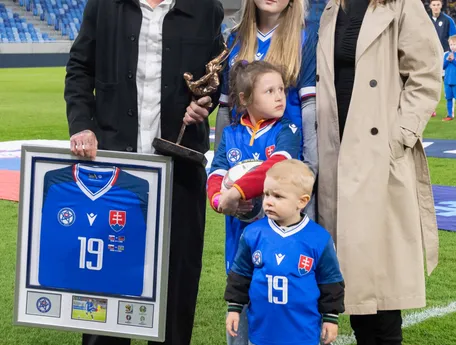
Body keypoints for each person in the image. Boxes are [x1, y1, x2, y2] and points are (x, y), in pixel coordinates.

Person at [63, 0, 224, 344]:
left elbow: (215, 77)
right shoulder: (103, 6)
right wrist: (81, 125)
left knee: (175, 294)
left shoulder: (206, 8)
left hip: (179, 173)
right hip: (113, 175)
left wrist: (206, 100)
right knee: (106, 295)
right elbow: (79, 68)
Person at [316, 0, 442, 344]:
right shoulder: (330, 9)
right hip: (336, 157)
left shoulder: (401, 5)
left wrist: (398, 138)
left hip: (379, 158)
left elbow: (427, 74)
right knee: (355, 289)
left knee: (383, 296)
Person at [207, 60, 302, 345]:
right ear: (246, 99)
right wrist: (219, 200)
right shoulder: (231, 134)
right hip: (239, 239)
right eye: (269, 90)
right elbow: (216, 173)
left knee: (274, 313)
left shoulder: (288, 130)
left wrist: (237, 191)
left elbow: (274, 167)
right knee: (239, 306)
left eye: (281, 89)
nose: (279, 96)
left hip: (277, 243)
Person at [213, 0, 318, 220]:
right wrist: (223, 172)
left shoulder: (306, 37)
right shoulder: (234, 39)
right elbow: (225, 109)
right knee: (242, 247)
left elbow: (309, 107)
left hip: (287, 162)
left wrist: (311, 166)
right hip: (240, 166)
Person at [224, 159, 345, 345]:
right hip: (261, 333)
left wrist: (330, 318)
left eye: (278, 197)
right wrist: (234, 308)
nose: (268, 202)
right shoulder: (252, 233)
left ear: (302, 201)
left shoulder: (319, 238)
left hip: (303, 333)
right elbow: (240, 275)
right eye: (266, 195)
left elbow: (330, 282)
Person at [442, 35, 456, 121]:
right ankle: (449, 115)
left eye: (454, 44)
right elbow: (443, 67)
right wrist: (447, 60)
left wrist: (453, 60)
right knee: (448, 98)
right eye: (451, 44)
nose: (452, 46)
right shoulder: (446, 55)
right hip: (447, 81)